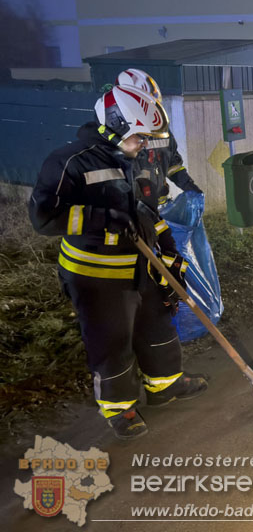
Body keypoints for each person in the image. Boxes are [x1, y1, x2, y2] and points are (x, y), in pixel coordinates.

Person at [28, 85, 208, 440]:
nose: (145, 145)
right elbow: (43, 218)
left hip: (141, 264)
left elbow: (146, 213)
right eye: (140, 137)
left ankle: (165, 385)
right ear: (114, 127)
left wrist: (169, 253)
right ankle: (120, 407)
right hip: (96, 275)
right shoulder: (68, 162)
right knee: (111, 339)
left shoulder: (136, 159)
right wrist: (103, 218)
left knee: (157, 325)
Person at [115, 69, 202, 206]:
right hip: (134, 212)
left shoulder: (160, 130)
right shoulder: (117, 138)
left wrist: (191, 188)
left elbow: (172, 165)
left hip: (160, 207)